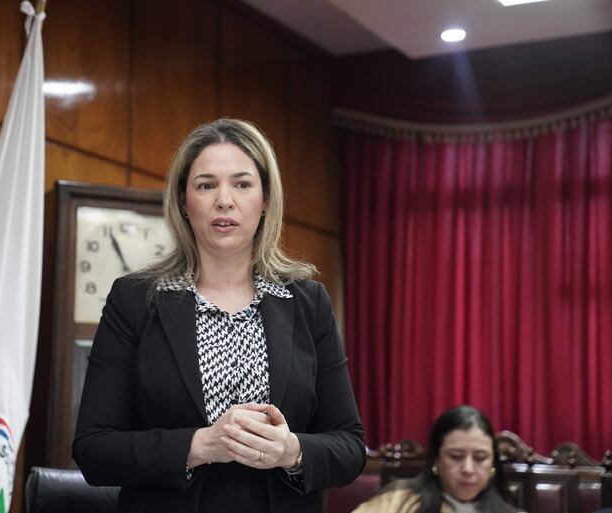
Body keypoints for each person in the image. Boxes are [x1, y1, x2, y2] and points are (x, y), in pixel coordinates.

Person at [73, 118, 366, 513]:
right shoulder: (136, 300)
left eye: (242, 184)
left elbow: (349, 445)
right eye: (206, 185)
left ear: (265, 200)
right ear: (183, 201)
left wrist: (291, 450)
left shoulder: (307, 302)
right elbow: (93, 447)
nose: (224, 200)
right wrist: (201, 445)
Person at [352, 405, 521, 513]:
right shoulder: (398, 502)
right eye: (456, 457)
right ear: (436, 459)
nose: (468, 469)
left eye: (480, 458)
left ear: (492, 463)